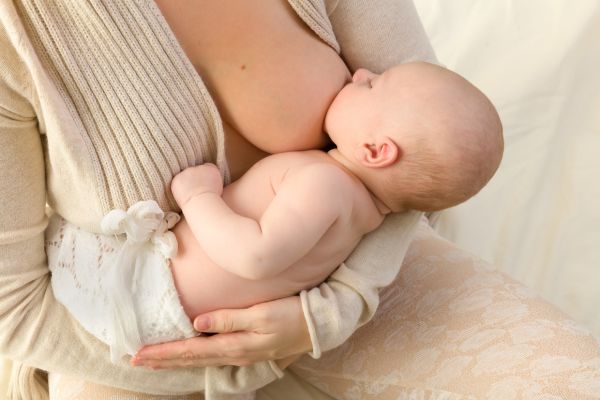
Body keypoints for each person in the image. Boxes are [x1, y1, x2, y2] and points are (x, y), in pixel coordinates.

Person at [1, 1, 599, 400]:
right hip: (132, 341)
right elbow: (13, 309)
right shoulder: (16, 32)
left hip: (363, 270)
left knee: (571, 382)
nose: (361, 82)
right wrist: (227, 359)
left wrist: (334, 307)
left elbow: (426, 151)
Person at [45, 61, 503, 375]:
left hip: (143, 291)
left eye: (370, 86)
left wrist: (200, 197)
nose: (360, 71)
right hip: (182, 324)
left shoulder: (324, 184)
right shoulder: (365, 216)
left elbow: (255, 257)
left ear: (376, 151)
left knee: (63, 228)